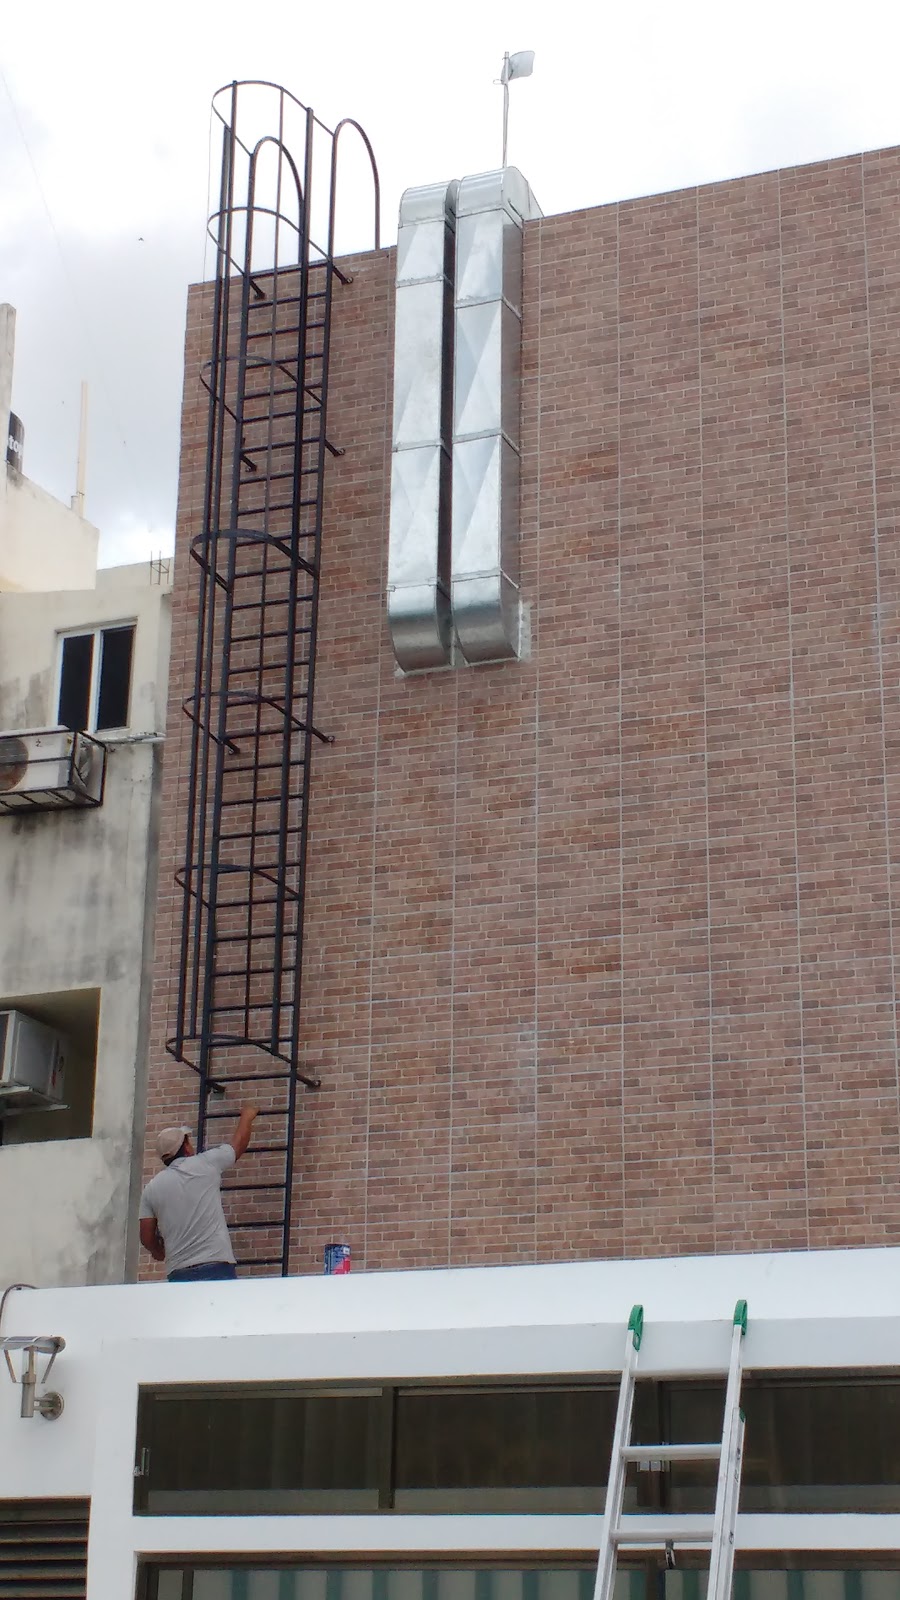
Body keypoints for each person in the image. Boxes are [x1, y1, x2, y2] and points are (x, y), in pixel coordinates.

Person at [139, 1104, 259, 1282]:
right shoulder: (205, 1163)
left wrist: (158, 1251)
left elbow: (146, 1237)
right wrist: (247, 1116)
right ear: (186, 1147)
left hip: (178, 1272)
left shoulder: (151, 1189)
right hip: (216, 1265)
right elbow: (237, 1146)